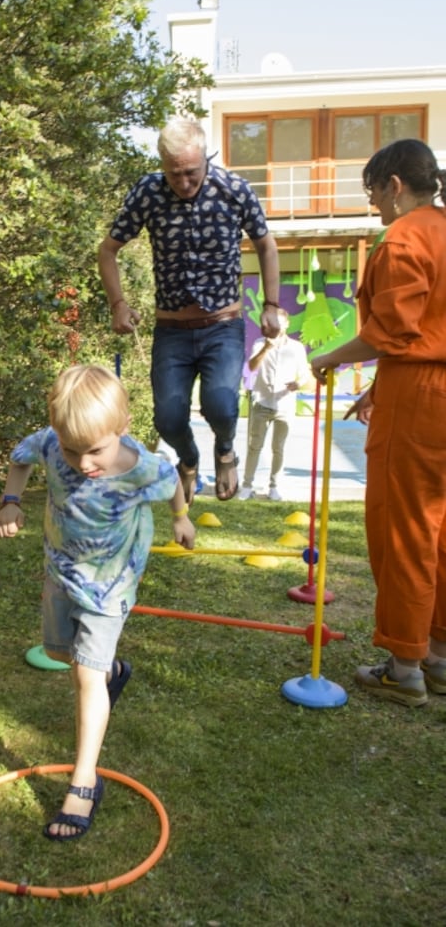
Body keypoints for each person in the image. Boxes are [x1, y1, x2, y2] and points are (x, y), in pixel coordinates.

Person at [0, 364, 195, 840]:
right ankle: (112, 674)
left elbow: (173, 484)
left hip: (112, 584)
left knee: (85, 673)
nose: (83, 464)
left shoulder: (140, 467)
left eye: (96, 451)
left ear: (122, 430)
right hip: (61, 573)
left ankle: (84, 783)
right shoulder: (50, 442)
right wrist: (11, 500)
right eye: (71, 450)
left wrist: (182, 520)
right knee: (66, 657)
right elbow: (21, 457)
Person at [312, 139, 446, 708]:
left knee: (405, 527)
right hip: (425, 385)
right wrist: (376, 385)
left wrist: (329, 359)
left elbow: (391, 331)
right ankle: (438, 656)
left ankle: (404, 665)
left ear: (395, 185)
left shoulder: (403, 238)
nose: (372, 205)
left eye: (372, 191)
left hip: (420, 402)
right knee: (440, 527)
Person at [98, 115, 281, 506]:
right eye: (174, 174)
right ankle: (189, 459)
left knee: (221, 403)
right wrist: (119, 304)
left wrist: (270, 304)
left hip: (223, 325)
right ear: (162, 165)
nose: (183, 183)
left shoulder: (233, 188)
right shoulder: (148, 191)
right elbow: (108, 250)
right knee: (167, 418)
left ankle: (226, 451)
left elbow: (266, 244)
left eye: (191, 173)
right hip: (172, 329)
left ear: (205, 158)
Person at [239, 308, 311, 501]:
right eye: (273, 322)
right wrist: (266, 348)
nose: (276, 326)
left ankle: (275, 486)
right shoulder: (260, 343)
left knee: (278, 448)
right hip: (261, 401)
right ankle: (247, 485)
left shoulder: (296, 347)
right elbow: (251, 367)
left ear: (287, 324)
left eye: (280, 322)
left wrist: (299, 383)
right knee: (254, 445)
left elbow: (304, 373)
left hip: (284, 404)